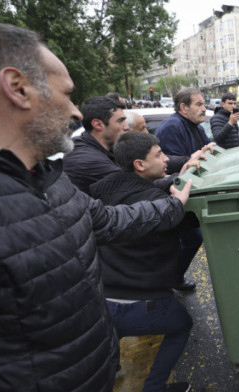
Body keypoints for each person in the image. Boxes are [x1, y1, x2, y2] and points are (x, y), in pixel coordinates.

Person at [0, 23, 193, 392]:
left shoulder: (47, 176)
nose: (76, 113)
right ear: (18, 88)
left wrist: (173, 203)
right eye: (68, 95)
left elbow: (107, 220)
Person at [91, 132, 203, 392]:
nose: (166, 159)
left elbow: (140, 191)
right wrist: (181, 194)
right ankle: (154, 388)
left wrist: (178, 175)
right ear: (139, 165)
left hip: (101, 299)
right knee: (182, 325)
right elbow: (188, 220)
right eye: (159, 155)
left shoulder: (102, 187)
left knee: (107, 349)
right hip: (143, 303)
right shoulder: (163, 208)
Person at [156, 88, 214, 292]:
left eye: (204, 103)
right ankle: (169, 281)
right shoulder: (172, 126)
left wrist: (207, 151)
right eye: (198, 104)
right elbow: (167, 163)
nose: (204, 108)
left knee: (190, 239)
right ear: (183, 107)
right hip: (173, 194)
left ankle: (172, 278)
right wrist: (194, 157)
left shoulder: (196, 126)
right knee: (191, 238)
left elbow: (206, 150)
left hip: (188, 193)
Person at [63, 96, 130, 194]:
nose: (127, 127)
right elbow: (133, 184)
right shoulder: (85, 158)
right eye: (120, 121)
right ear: (98, 124)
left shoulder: (108, 147)